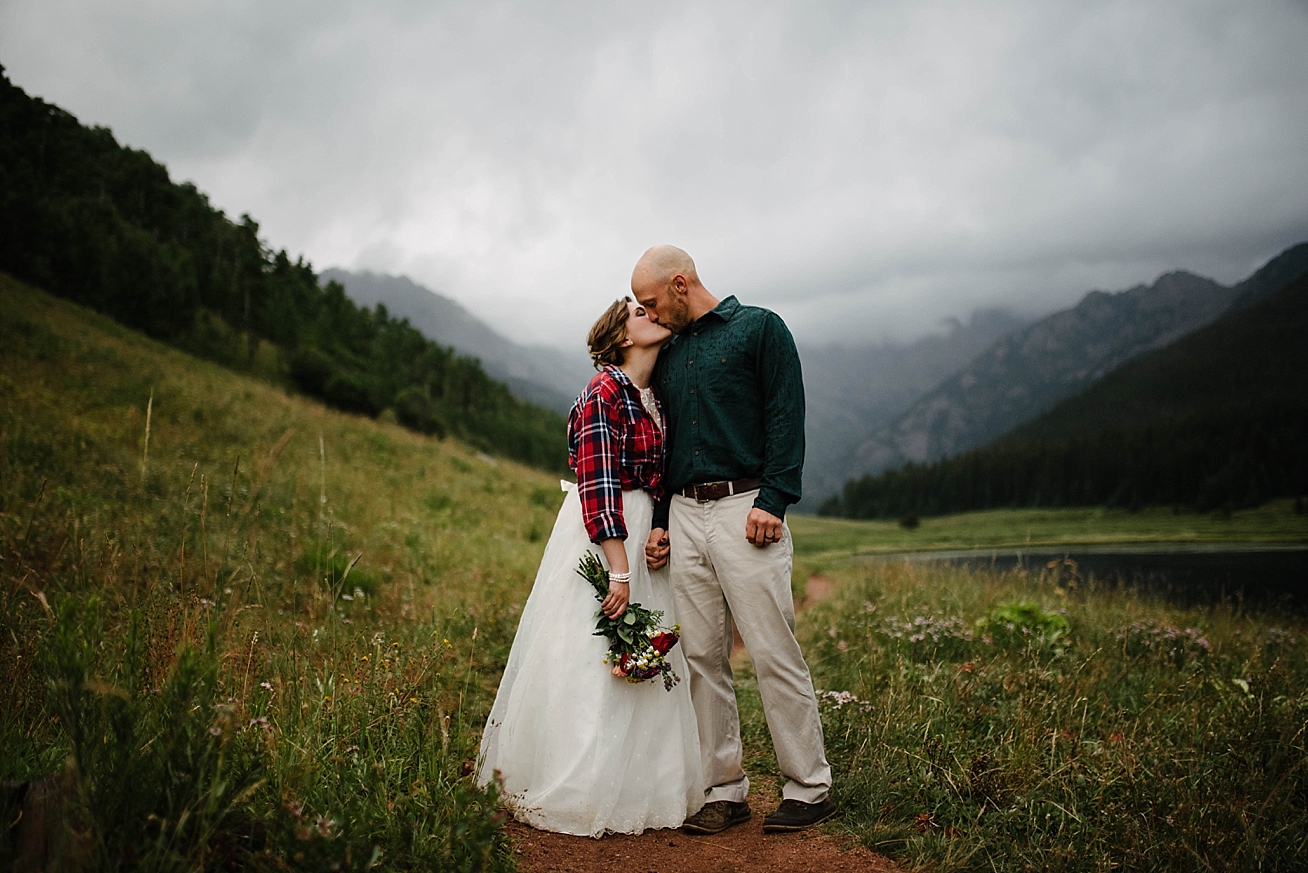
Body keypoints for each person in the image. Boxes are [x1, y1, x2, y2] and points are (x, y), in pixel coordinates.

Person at [477, 297, 704, 837]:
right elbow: (599, 489)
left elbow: (657, 480)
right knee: (592, 648)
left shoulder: (651, 397)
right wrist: (620, 570)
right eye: (638, 311)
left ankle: (641, 784)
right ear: (622, 336)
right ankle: (577, 781)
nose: (651, 312)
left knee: (646, 650)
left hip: (639, 530)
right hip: (603, 537)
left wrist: (659, 528)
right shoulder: (602, 392)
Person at [632, 245, 835, 835]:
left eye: (651, 302)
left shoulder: (760, 329)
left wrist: (775, 498)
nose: (648, 313)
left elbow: (785, 414)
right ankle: (725, 789)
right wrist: (665, 519)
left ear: (679, 282)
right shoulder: (668, 352)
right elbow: (668, 441)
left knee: (773, 649)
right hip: (687, 514)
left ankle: (810, 786)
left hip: (748, 505)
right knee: (702, 657)